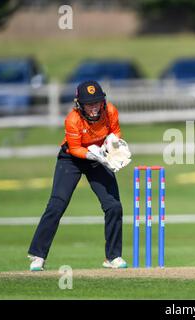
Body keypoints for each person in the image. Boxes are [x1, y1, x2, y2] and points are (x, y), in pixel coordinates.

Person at [27, 80, 130, 271]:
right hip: (71, 159)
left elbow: (115, 132)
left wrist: (113, 149)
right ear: (79, 104)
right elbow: (74, 148)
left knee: (114, 206)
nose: (93, 108)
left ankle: (113, 257)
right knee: (57, 204)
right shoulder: (72, 119)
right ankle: (38, 255)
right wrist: (92, 154)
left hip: (98, 158)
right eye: (89, 104)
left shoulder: (110, 111)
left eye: (97, 103)